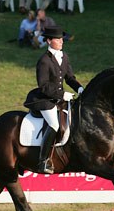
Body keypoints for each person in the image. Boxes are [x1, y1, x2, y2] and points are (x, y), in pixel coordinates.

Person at [24, 26, 84, 174]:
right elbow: (43, 86)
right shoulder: (44, 60)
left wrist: (80, 89)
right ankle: (43, 161)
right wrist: (62, 95)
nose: (61, 41)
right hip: (45, 100)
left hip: (58, 98)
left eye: (62, 39)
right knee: (54, 125)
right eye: (58, 39)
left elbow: (70, 78)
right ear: (49, 41)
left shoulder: (64, 56)